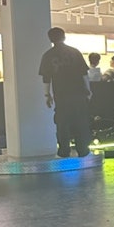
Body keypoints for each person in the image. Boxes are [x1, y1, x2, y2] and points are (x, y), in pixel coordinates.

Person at [38, 27, 92, 158]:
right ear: (64, 37)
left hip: (61, 95)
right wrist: (88, 90)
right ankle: (83, 150)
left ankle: (64, 151)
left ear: (50, 39)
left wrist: (47, 95)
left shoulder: (48, 55)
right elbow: (84, 74)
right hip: (79, 93)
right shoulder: (75, 52)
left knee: (62, 123)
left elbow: (46, 78)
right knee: (81, 122)